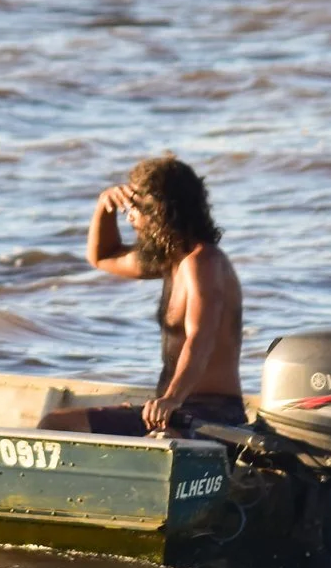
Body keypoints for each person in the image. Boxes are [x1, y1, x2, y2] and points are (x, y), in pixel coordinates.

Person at [41, 155, 244, 436]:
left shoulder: (204, 262)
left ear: (159, 210)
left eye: (134, 209)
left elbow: (201, 338)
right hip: (174, 410)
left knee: (59, 425)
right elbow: (103, 257)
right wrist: (105, 206)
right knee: (57, 423)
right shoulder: (172, 261)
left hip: (211, 415)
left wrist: (171, 399)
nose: (131, 219)